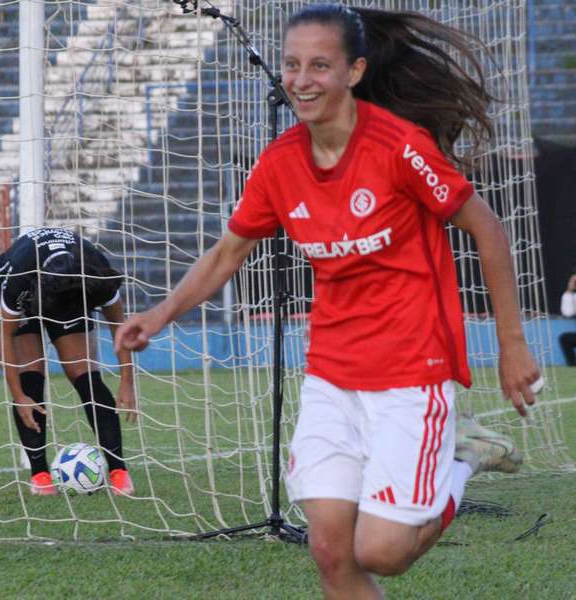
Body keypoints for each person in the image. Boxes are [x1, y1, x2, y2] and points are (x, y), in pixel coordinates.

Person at [114, 4, 540, 598]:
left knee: (381, 553)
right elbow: (227, 253)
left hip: (412, 375)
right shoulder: (282, 161)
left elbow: (488, 229)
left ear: (355, 71)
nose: (301, 79)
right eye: (292, 65)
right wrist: (159, 314)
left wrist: (512, 344)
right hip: (333, 377)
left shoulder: (399, 148)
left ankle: (462, 455)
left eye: (320, 65)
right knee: (329, 549)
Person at [0, 227, 136, 496]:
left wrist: (127, 381)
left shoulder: (96, 272)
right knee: (30, 379)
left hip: (71, 292)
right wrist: (17, 394)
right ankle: (40, 475)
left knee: (85, 376)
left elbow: (119, 325)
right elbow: (6, 336)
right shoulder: (17, 280)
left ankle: (118, 471)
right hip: (28, 293)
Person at [560, 272, 576, 366]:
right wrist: (570, 290)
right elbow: (568, 313)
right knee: (564, 338)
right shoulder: (572, 296)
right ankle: (572, 365)